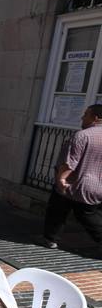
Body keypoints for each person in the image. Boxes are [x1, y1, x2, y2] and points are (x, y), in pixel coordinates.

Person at [43, 104, 102, 252]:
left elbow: (70, 163)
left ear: (95, 118)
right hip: (97, 186)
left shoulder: (82, 135)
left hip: (74, 184)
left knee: (57, 211)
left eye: (86, 114)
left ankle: (51, 239)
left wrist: (61, 179)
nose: (82, 117)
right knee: (88, 215)